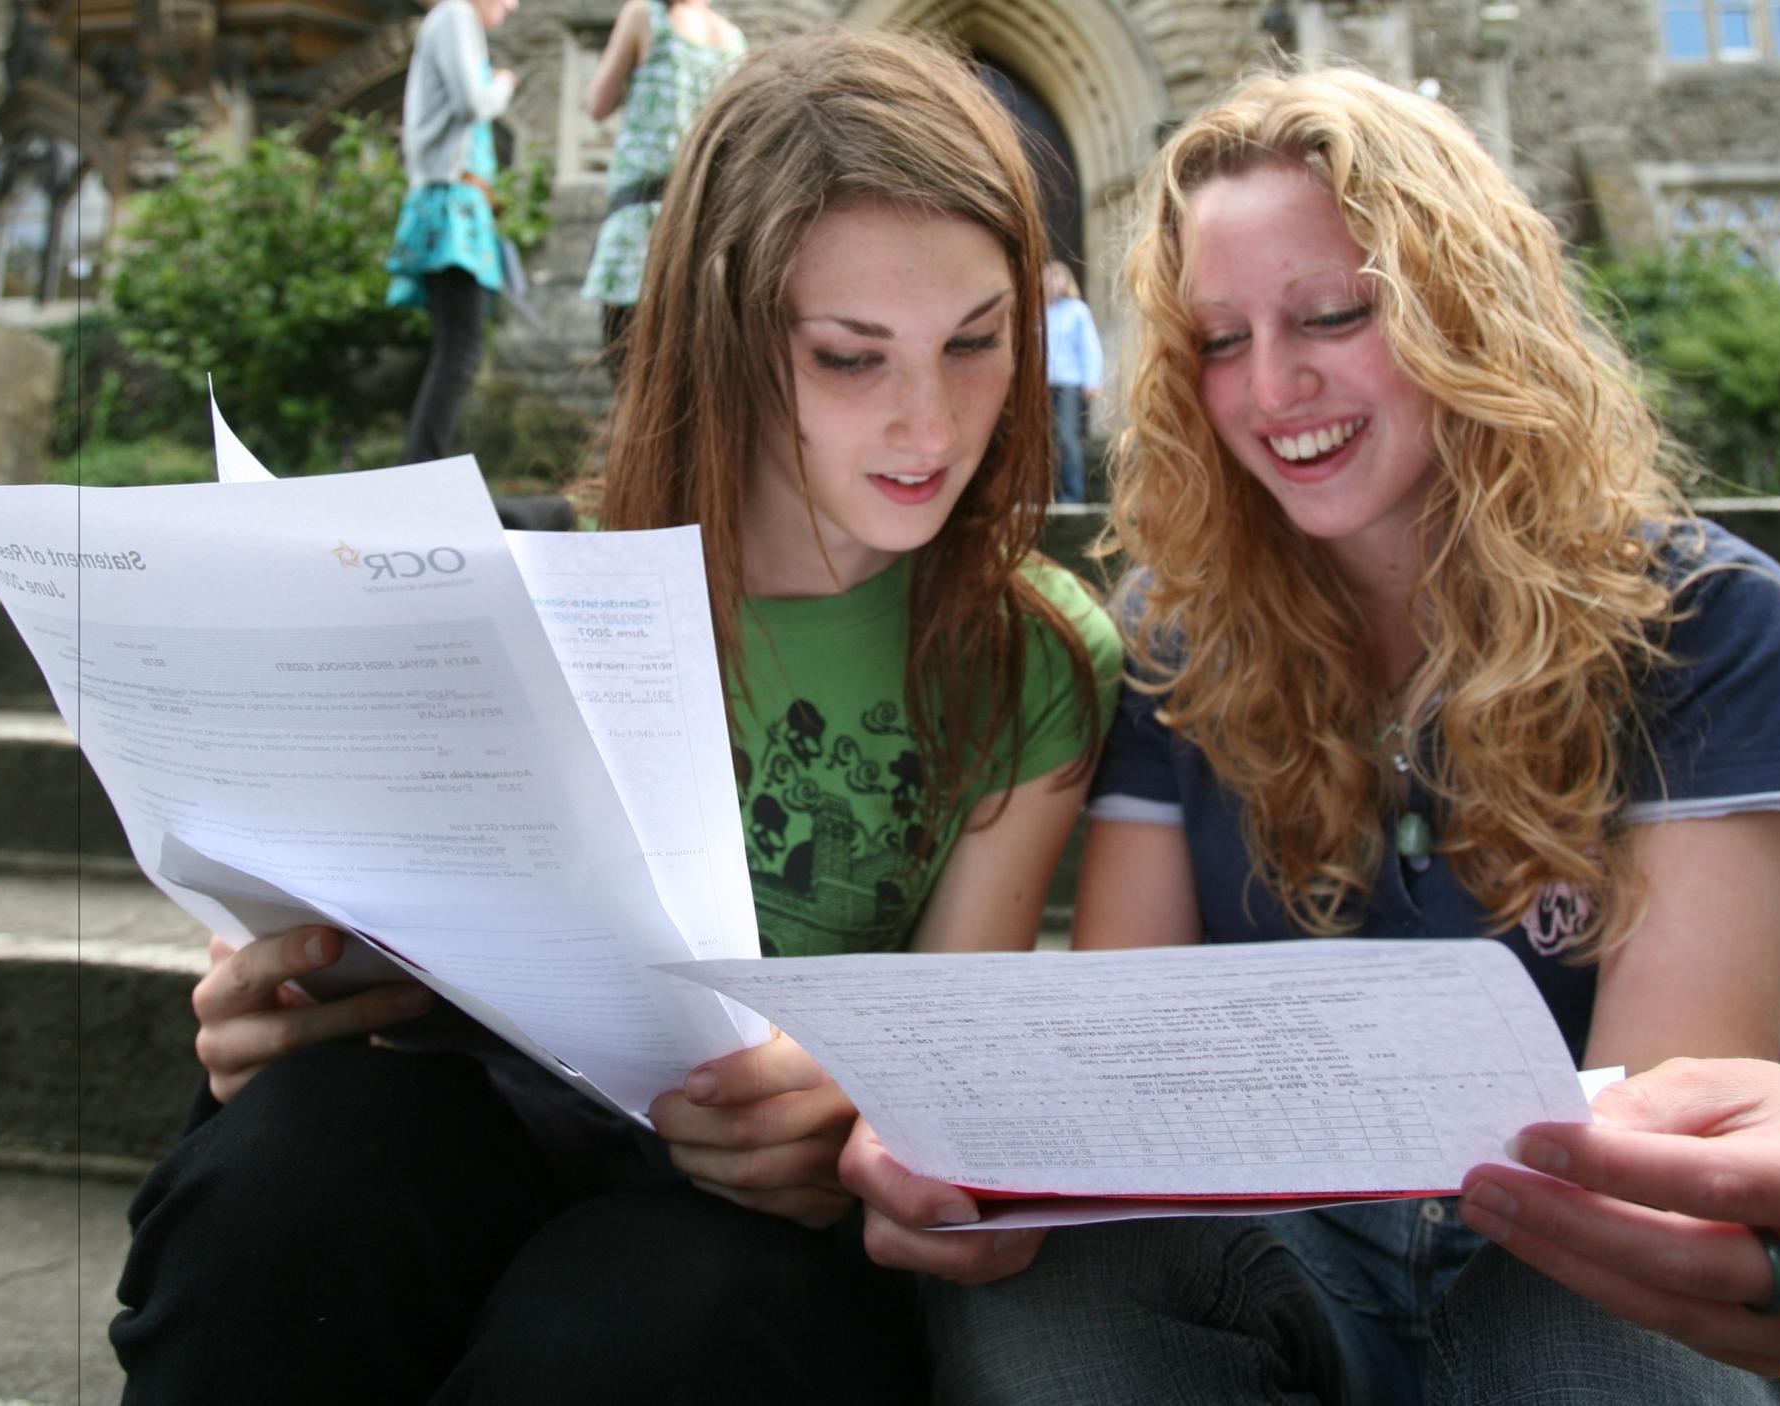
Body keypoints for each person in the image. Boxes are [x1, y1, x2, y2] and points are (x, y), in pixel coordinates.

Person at [840, 68, 1780, 1404]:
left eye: (1335, 314)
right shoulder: (1178, 636)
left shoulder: (1706, 620)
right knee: (1058, 1306)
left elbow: (1663, 1116)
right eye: (1218, 341)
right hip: (1287, 1251)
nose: (1274, 387)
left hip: (1559, 1245)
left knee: (1580, 1325)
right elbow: (1136, 1050)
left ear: (1469, 310)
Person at [109, 31, 1117, 1404]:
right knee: (287, 1189)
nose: (929, 422)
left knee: (635, 1334)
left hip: (743, 1231)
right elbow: (305, 963)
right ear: (734, 337)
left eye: (977, 342)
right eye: (849, 357)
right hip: (457, 1117)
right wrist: (260, 1001)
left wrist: (853, 1105)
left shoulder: (1029, 653)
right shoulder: (505, 582)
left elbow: (945, 1042)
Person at [577, 0, 744, 380]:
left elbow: (597, 104)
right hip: (701, 219)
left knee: (629, 369)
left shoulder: (645, 15)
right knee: (688, 373)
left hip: (641, 213)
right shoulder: (732, 39)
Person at [389, 0, 520, 465]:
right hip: (451, 206)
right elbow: (472, 102)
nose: (512, 4)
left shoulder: (450, 20)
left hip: (458, 206)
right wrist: (502, 84)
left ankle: (421, 470)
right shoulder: (455, 16)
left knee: (456, 347)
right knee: (460, 351)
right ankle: (420, 473)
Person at [1043, 260, 1103, 502]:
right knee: (1042, 441)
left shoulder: (1077, 310)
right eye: (1049, 277)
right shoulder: (1038, 312)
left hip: (1069, 383)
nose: (1053, 283)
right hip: (1043, 384)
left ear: (1067, 282)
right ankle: (1046, 493)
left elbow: (1090, 347)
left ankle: (1072, 494)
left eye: (1058, 277)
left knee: (1066, 437)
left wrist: (1092, 380)